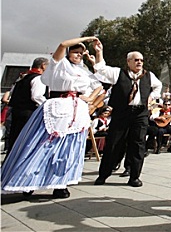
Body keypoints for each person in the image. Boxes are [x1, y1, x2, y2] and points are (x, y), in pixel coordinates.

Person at [1, 36, 102, 199]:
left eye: (81, 54)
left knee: (68, 149)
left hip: (76, 110)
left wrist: (90, 99)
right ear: (69, 53)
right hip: (58, 107)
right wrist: (88, 38)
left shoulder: (84, 71)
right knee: (43, 145)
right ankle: (28, 181)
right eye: (75, 52)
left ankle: (60, 184)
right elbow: (62, 45)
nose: (78, 56)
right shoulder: (59, 65)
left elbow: (99, 85)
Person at [93, 40, 162, 187]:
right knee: (113, 144)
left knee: (138, 145)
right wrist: (99, 52)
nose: (139, 63)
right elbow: (100, 69)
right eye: (136, 60)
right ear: (128, 61)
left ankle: (134, 177)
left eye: (141, 60)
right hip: (122, 113)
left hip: (140, 114)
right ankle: (103, 175)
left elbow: (158, 86)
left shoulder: (148, 75)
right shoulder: (118, 73)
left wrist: (151, 98)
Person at [6, 57, 49, 157]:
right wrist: (48, 106)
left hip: (17, 111)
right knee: (25, 139)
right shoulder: (38, 78)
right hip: (29, 112)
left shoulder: (23, 78)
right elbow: (37, 96)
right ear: (43, 65)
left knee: (15, 137)